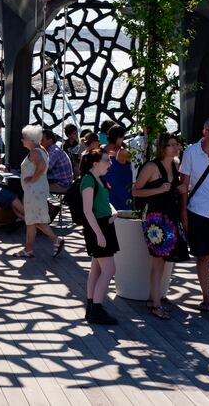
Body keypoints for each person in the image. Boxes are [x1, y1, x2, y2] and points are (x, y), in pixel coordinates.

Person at [132, 133, 189, 319]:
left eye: (176, 144)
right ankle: (156, 304)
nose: (175, 148)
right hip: (156, 219)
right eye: (171, 145)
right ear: (163, 148)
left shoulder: (175, 164)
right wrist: (159, 189)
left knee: (163, 259)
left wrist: (179, 189)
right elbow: (135, 192)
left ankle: (153, 298)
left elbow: (172, 190)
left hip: (170, 217)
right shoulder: (151, 167)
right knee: (158, 259)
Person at [80, 148, 119, 325]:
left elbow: (103, 202)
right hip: (98, 228)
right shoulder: (88, 180)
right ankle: (96, 307)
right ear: (96, 163)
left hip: (104, 225)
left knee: (96, 268)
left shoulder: (98, 179)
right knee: (110, 270)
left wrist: (113, 211)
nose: (110, 164)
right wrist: (99, 235)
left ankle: (92, 306)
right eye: (106, 160)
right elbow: (87, 211)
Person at [14, 125, 64, 258]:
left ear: (30, 139)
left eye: (24, 138)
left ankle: (56, 240)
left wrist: (32, 178)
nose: (22, 140)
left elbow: (41, 165)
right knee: (31, 220)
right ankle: (28, 249)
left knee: (35, 220)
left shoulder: (35, 152)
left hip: (34, 191)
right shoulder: (41, 150)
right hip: (38, 190)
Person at [179, 118, 209, 313]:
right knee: (203, 256)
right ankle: (206, 297)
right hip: (199, 210)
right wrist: (183, 212)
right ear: (205, 132)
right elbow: (184, 184)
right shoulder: (191, 151)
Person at [104, 125, 133, 210]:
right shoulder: (123, 152)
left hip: (107, 189)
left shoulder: (102, 149)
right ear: (119, 137)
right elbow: (136, 163)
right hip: (122, 190)